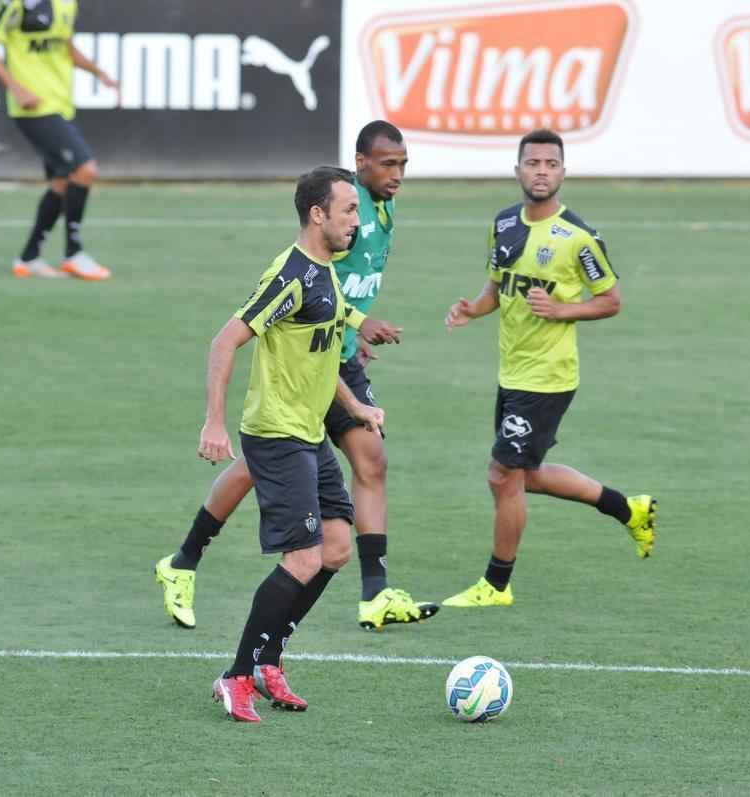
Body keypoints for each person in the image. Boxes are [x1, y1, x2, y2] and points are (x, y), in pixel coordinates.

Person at [155, 122, 439, 630]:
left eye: (403, 164)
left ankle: (374, 593)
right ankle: (185, 564)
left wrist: (347, 332)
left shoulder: (381, 209)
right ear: (360, 163)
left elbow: (335, 289)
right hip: (306, 361)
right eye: (387, 164)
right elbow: (307, 282)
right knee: (262, 464)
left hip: (334, 359)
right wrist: (357, 322)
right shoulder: (336, 219)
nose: (397, 174)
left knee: (369, 460)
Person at [204, 167, 400, 722]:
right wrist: (214, 423)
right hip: (277, 434)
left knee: (335, 548)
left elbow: (320, 351)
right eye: (348, 211)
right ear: (318, 215)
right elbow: (224, 341)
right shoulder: (291, 275)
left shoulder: (327, 271)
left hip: (309, 432)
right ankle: (236, 675)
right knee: (304, 556)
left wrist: (355, 407)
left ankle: (268, 660)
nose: (356, 221)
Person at [441, 128, 657, 608]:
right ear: (518, 169)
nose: (541, 172)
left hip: (548, 377)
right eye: (533, 163)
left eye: (551, 164)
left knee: (502, 476)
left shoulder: (578, 238)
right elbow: (497, 287)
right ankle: (629, 509)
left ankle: (496, 585)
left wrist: (562, 310)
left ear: (563, 172)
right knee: (525, 475)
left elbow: (611, 300)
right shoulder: (503, 223)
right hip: (512, 371)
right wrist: (474, 309)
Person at [0, 0, 114, 281]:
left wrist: (98, 72)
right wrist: (16, 89)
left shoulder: (67, 3)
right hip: (34, 107)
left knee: (62, 181)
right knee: (85, 169)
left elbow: (67, 48)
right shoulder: (15, 3)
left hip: (60, 105)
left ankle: (29, 258)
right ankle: (74, 253)